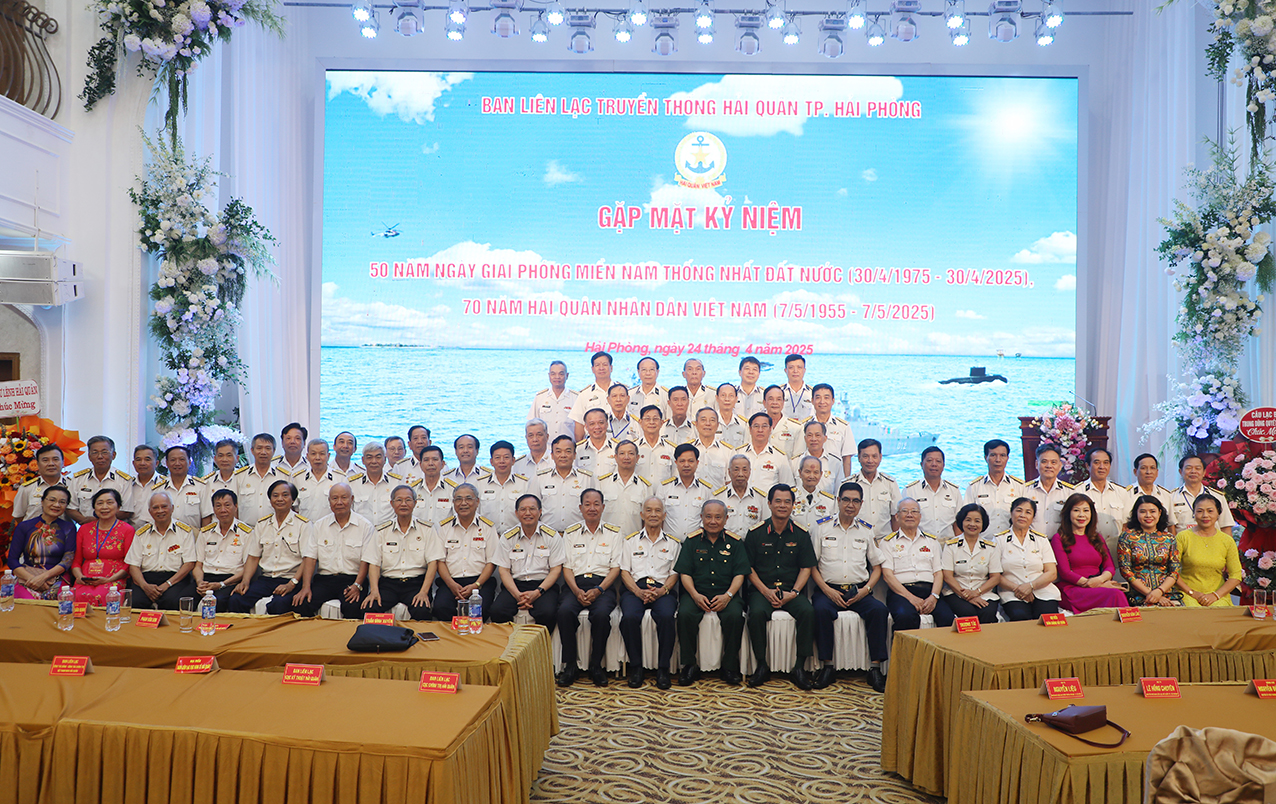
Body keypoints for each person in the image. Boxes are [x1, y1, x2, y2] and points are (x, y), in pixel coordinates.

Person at [810, 482, 890, 692]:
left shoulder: (866, 531)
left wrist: (866, 590)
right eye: (846, 500)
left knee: (879, 610)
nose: (850, 505)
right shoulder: (822, 527)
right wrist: (827, 590)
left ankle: (875, 669)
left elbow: (877, 567)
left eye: (855, 501)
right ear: (838, 501)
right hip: (828, 589)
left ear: (861, 504)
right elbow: (812, 566)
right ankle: (827, 666)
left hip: (858, 591)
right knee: (820, 610)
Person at [744, 484, 817, 690]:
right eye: (778, 501)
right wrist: (765, 591)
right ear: (769, 504)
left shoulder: (801, 534)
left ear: (793, 505)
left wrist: (794, 593)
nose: (782, 505)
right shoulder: (756, 533)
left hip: (791, 590)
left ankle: (799, 667)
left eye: (787, 502)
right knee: (756, 613)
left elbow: (806, 568)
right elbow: (748, 568)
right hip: (763, 590)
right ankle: (761, 665)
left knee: (808, 612)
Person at [675, 500, 750, 687]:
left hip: (726, 593)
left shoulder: (735, 542)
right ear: (701, 517)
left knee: (735, 616)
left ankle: (729, 666)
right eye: (708, 516)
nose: (713, 521)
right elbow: (685, 574)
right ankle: (689, 665)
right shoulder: (691, 541)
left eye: (718, 517)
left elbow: (740, 574)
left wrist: (728, 596)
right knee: (685, 614)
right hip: (696, 592)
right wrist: (694, 595)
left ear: (726, 519)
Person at [556, 489, 622, 687]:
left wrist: (599, 590)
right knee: (564, 612)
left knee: (601, 615)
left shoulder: (614, 533)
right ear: (580, 508)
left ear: (603, 507)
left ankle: (596, 665)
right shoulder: (570, 533)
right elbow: (566, 568)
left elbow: (615, 568)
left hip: (603, 586)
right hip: (575, 585)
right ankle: (570, 665)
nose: (592, 508)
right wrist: (576, 591)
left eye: (596, 504)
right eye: (587, 504)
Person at [619, 497, 682, 689]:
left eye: (657, 510)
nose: (653, 514)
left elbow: (674, 573)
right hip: (635, 589)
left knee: (666, 617)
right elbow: (624, 572)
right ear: (642, 514)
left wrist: (662, 591)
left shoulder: (674, 543)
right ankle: (636, 667)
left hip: (663, 589)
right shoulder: (630, 541)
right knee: (629, 617)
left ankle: (663, 669)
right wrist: (638, 591)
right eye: (649, 510)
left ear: (664, 515)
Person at [362, 485, 442, 620]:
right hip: (388, 584)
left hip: (415, 584)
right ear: (392, 503)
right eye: (399, 500)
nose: (403, 504)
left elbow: (433, 562)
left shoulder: (427, 529)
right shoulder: (382, 530)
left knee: (422, 610)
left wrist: (424, 592)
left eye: (408, 500)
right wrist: (374, 591)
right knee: (370, 608)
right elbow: (374, 563)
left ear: (415, 503)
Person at [295, 482, 374, 618]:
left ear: (352, 499)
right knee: (301, 603)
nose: (339, 502)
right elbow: (310, 558)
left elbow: (366, 560)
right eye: (335, 498)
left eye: (344, 497)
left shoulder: (365, 526)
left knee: (353, 607)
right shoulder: (320, 525)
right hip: (325, 580)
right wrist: (305, 587)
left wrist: (357, 585)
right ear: (329, 501)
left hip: (352, 579)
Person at [229, 480, 310, 614]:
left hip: (291, 579)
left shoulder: (303, 525)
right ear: (270, 500)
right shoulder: (262, 524)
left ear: (293, 499)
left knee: (279, 604)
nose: (280, 499)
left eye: (285, 495)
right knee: (236, 599)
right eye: (275, 495)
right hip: (266, 579)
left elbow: (307, 559)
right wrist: (245, 581)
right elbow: (253, 557)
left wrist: (292, 583)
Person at [490, 494, 565, 629]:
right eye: (523, 509)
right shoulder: (508, 537)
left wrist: (537, 592)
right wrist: (517, 595)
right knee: (497, 611)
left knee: (547, 613)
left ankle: (539, 643)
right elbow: (504, 570)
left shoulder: (552, 536)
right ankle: (509, 643)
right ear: (516, 513)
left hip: (543, 586)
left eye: (532, 509)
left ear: (540, 512)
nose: (528, 513)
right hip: (515, 585)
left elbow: (556, 570)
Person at [880, 498, 954, 631]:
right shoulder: (887, 543)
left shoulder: (932, 541)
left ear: (920, 516)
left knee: (947, 618)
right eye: (905, 511)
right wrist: (911, 598)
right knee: (905, 616)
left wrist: (933, 597)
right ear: (897, 516)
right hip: (901, 593)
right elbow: (887, 575)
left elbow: (938, 573)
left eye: (914, 511)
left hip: (930, 591)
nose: (910, 515)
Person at [1051, 494, 1129, 613]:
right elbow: (1065, 572)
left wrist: (1100, 580)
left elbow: (1110, 567)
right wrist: (1093, 584)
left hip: (1098, 584)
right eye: (1076, 510)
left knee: (1118, 593)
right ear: (1068, 513)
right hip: (1073, 588)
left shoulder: (1097, 538)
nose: (1081, 515)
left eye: (1086, 510)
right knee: (1115, 595)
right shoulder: (1059, 538)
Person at [433, 483, 499, 623]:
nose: (463, 503)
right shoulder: (444, 527)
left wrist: (476, 585)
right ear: (453, 502)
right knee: (440, 607)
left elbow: (491, 562)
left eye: (468, 498)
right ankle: (453, 637)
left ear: (477, 502)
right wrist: (451, 584)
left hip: (479, 582)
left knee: (482, 609)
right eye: (458, 499)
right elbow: (440, 561)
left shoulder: (488, 527)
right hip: (451, 582)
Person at [126, 491, 197, 610]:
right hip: (146, 579)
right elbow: (133, 566)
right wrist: (145, 586)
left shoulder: (185, 532)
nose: (160, 511)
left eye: (164, 506)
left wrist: (167, 584)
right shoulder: (141, 534)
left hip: (175, 579)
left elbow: (189, 564)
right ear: (149, 511)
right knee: (135, 601)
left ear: (172, 508)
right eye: (155, 508)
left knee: (171, 601)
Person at [995, 497, 1062, 621]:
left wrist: (1031, 586)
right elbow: (995, 575)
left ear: (1032, 517)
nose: (1022, 515)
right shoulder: (999, 540)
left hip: (1042, 590)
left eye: (1028, 512)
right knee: (1020, 616)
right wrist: (1019, 589)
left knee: (1048, 617)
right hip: (1012, 593)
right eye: (1019, 510)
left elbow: (1051, 572)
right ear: (1011, 513)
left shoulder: (1041, 540)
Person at [8, 486, 76, 600]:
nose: (57, 505)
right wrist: (32, 579)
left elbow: (67, 560)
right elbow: (12, 560)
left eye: (62, 502)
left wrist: (43, 577)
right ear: (42, 501)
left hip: (57, 578)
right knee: (26, 603)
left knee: (60, 603)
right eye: (52, 500)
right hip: (27, 578)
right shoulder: (24, 526)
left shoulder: (69, 528)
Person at [941, 503, 1003, 625]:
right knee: (968, 612)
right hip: (956, 593)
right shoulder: (951, 546)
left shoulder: (991, 547)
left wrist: (976, 593)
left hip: (984, 593)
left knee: (987, 612)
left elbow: (995, 577)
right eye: (968, 520)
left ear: (983, 524)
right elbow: (947, 576)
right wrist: (966, 595)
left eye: (977, 521)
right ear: (961, 522)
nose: (972, 524)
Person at [1175, 494, 1242, 607]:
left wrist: (1215, 595)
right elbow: (1172, 571)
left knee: (1220, 613)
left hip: (1217, 595)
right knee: (1192, 612)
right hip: (1187, 594)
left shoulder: (1227, 541)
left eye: (1210, 511)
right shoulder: (1183, 537)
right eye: (1200, 511)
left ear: (1218, 513)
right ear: (1193, 514)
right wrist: (1192, 593)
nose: (1205, 515)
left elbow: (1236, 575)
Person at [71, 489, 135, 604]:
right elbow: (76, 561)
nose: (104, 507)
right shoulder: (84, 529)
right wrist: (80, 577)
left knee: (104, 596)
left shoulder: (127, 530)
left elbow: (129, 563)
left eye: (109, 502)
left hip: (113, 579)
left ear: (118, 507)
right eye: (100, 503)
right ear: (94, 508)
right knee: (75, 596)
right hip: (86, 580)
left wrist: (109, 579)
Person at [1117, 495, 1181, 607]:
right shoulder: (1127, 537)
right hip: (1139, 595)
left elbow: (1175, 571)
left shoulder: (1169, 538)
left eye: (1152, 511)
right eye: (1142, 512)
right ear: (1136, 513)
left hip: (1167, 593)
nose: (1148, 515)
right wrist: (1151, 594)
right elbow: (1126, 571)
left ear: (1159, 513)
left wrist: (1160, 591)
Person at [193, 488, 252, 610]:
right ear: (213, 509)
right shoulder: (205, 532)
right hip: (206, 579)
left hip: (230, 580)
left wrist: (221, 584)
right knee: (181, 599)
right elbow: (198, 565)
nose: (223, 510)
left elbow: (247, 568)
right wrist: (200, 582)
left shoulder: (246, 533)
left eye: (227, 505)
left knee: (216, 603)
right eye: (218, 506)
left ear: (235, 507)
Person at [1074, 447, 1132, 567]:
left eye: (1106, 463)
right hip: (1088, 549)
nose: (1102, 467)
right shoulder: (1078, 491)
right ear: (1087, 466)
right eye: (1097, 462)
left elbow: (1126, 524)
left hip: (1116, 549)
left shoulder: (1121, 492)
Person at [529, 435, 596, 533]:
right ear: (552, 455)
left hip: (578, 535)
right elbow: (531, 508)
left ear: (574, 455)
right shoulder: (540, 477)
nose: (563, 455)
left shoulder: (587, 478)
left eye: (568, 451)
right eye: (558, 451)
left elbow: (595, 510)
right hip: (548, 535)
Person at [964, 439, 1024, 536]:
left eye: (1002, 455)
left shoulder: (1019, 486)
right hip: (982, 542)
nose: (998, 460)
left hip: (1010, 542)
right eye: (993, 455)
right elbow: (965, 519)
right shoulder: (974, 487)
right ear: (986, 458)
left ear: (1007, 458)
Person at [68, 436, 134, 520]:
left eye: (104, 452)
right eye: (95, 452)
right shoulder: (78, 479)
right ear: (89, 456)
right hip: (86, 525)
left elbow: (126, 511)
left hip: (114, 527)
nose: (100, 456)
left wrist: (99, 522)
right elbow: (70, 508)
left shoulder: (124, 480)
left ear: (113, 455)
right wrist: (84, 522)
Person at [656, 444, 714, 539]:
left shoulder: (706, 489)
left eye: (691, 461)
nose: (686, 465)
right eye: (682, 461)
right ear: (676, 463)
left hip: (697, 543)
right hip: (670, 543)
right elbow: (658, 518)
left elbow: (710, 518)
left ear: (697, 463)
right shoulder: (664, 488)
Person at [144, 445, 208, 531]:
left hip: (194, 536)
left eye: (182, 459)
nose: (177, 463)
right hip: (165, 536)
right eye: (173, 460)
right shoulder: (157, 489)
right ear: (167, 463)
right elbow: (149, 519)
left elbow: (206, 518)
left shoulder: (201, 487)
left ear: (189, 462)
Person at [13, 444, 82, 523]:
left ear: (63, 462)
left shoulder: (73, 485)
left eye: (55, 459)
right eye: (45, 460)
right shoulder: (27, 488)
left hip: (65, 531)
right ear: (38, 464)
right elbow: (19, 516)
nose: (51, 464)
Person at [597, 440, 651, 537]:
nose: (626, 457)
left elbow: (648, 519)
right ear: (616, 457)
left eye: (631, 453)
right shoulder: (602, 483)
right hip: (606, 540)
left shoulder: (645, 487)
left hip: (634, 541)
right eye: (622, 453)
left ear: (637, 458)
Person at [847, 438, 900, 538]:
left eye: (874, 456)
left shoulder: (890, 483)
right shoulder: (848, 483)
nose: (870, 461)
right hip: (857, 540)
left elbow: (896, 517)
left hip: (884, 541)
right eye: (865, 456)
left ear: (880, 457)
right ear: (859, 458)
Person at [904, 447, 961, 538]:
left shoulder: (954, 490)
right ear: (921, 464)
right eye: (929, 460)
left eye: (938, 461)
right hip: (920, 543)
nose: (934, 464)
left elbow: (958, 523)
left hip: (948, 543)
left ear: (943, 465)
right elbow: (904, 522)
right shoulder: (910, 491)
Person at [474, 440, 529, 535]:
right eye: (497, 458)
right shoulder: (480, 484)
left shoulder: (524, 484)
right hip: (488, 536)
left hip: (516, 537)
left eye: (506, 457)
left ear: (513, 461)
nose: (502, 461)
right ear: (491, 462)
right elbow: (476, 514)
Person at [1171, 455, 1235, 533]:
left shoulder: (1217, 497)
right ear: (1180, 472)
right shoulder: (1171, 497)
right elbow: (1169, 528)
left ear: (1204, 472)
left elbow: (1225, 527)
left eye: (1197, 468)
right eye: (1188, 468)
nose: (1193, 471)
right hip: (1182, 540)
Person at [235, 433, 286, 525]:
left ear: (274, 451)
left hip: (274, 529)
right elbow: (233, 507)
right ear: (252, 450)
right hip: (247, 530)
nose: (263, 452)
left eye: (268, 448)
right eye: (259, 448)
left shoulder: (283, 476)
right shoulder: (240, 476)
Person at [1024, 444, 1074, 537]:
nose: (1049, 466)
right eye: (1044, 461)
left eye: (1053, 462)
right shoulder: (1025, 490)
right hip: (1032, 543)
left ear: (1060, 465)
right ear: (1036, 464)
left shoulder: (1070, 492)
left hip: (1060, 543)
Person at [740, 411, 796, 490]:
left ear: (770, 429)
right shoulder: (739, 453)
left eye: (764, 426)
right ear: (750, 429)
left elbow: (787, 487)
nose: (760, 430)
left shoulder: (780, 457)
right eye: (756, 426)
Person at [568, 351, 615, 440]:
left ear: (611, 368)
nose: (601, 368)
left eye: (605, 364)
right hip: (593, 444)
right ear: (593, 369)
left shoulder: (623, 392)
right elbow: (579, 428)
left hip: (620, 444)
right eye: (597, 365)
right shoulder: (584, 395)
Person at [719, 454, 769, 536]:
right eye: (736, 470)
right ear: (729, 472)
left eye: (745, 470)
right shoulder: (719, 497)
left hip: (752, 543)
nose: (741, 474)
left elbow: (765, 525)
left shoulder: (761, 498)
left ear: (750, 472)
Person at [350, 442, 398, 527]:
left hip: (388, 532)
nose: (374, 461)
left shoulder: (396, 483)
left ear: (385, 460)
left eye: (378, 457)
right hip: (361, 531)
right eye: (369, 457)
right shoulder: (352, 484)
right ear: (363, 460)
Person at [790, 420, 843, 495]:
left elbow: (839, 492)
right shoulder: (794, 462)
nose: (813, 439)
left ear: (825, 438)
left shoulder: (835, 463)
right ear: (805, 438)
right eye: (810, 435)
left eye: (817, 435)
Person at [529, 360, 578, 439]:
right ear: (549, 375)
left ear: (567, 375)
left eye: (561, 374)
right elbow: (532, 425)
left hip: (569, 445)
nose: (557, 377)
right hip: (546, 445)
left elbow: (581, 427)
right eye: (553, 374)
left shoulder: (576, 398)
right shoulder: (540, 397)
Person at [412, 445, 458, 525]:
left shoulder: (453, 489)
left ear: (442, 464)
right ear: (420, 465)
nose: (430, 463)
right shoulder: (412, 490)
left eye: (435, 459)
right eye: (426, 460)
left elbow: (457, 519)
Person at [689, 407, 733, 488]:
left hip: (717, 495)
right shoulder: (687, 449)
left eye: (712, 420)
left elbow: (729, 482)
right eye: (703, 420)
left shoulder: (728, 451)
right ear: (696, 424)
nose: (707, 424)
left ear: (718, 425)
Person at [294, 438, 336, 522]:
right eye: (313, 454)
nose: (317, 458)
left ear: (328, 456)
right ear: (307, 456)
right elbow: (294, 509)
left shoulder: (340, 478)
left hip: (330, 528)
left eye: (322, 454)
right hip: (305, 528)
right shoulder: (298, 478)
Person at [634, 404, 676, 483]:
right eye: (647, 419)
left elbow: (675, 477)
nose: (651, 422)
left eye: (655, 419)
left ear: (662, 423)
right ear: (640, 422)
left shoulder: (671, 449)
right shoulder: (633, 448)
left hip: (664, 491)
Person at [200, 439, 241, 511]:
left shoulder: (245, 478)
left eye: (229, 455)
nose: (224, 459)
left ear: (237, 458)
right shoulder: (206, 482)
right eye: (220, 456)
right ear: (215, 459)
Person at [762, 385, 803, 457]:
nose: (775, 402)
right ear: (764, 403)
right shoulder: (754, 425)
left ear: (783, 402)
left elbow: (797, 457)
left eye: (778, 399)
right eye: (771, 399)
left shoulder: (796, 428)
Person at [577, 408, 618, 478]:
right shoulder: (578, 450)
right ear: (586, 427)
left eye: (601, 423)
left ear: (607, 424)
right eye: (592, 424)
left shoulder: (617, 448)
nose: (597, 427)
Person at [125, 445, 160, 522]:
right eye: (138, 460)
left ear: (156, 463)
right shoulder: (127, 485)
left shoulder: (165, 484)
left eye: (147, 460)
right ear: (133, 463)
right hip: (133, 529)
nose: (142, 463)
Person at [713, 383, 749, 448]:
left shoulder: (743, 424)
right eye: (723, 395)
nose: (727, 399)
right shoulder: (710, 423)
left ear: (736, 399)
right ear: (717, 398)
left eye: (731, 396)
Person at [780, 353, 814, 419]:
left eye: (799, 367)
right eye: (791, 367)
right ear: (785, 370)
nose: (795, 371)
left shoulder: (813, 393)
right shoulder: (778, 392)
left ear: (804, 370)